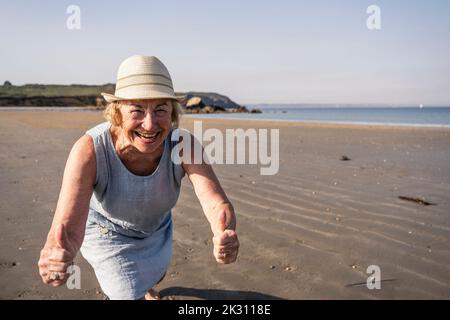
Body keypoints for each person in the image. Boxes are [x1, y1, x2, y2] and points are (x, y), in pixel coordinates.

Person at [37, 55, 239, 300]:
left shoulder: (183, 145)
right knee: (124, 293)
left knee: (155, 275)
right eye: (137, 110)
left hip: (155, 228)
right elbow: (66, 224)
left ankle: (148, 285)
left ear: (173, 114)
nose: (150, 124)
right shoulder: (90, 150)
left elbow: (216, 202)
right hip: (107, 231)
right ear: (117, 113)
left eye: (161, 109)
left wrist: (223, 231)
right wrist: (58, 252)